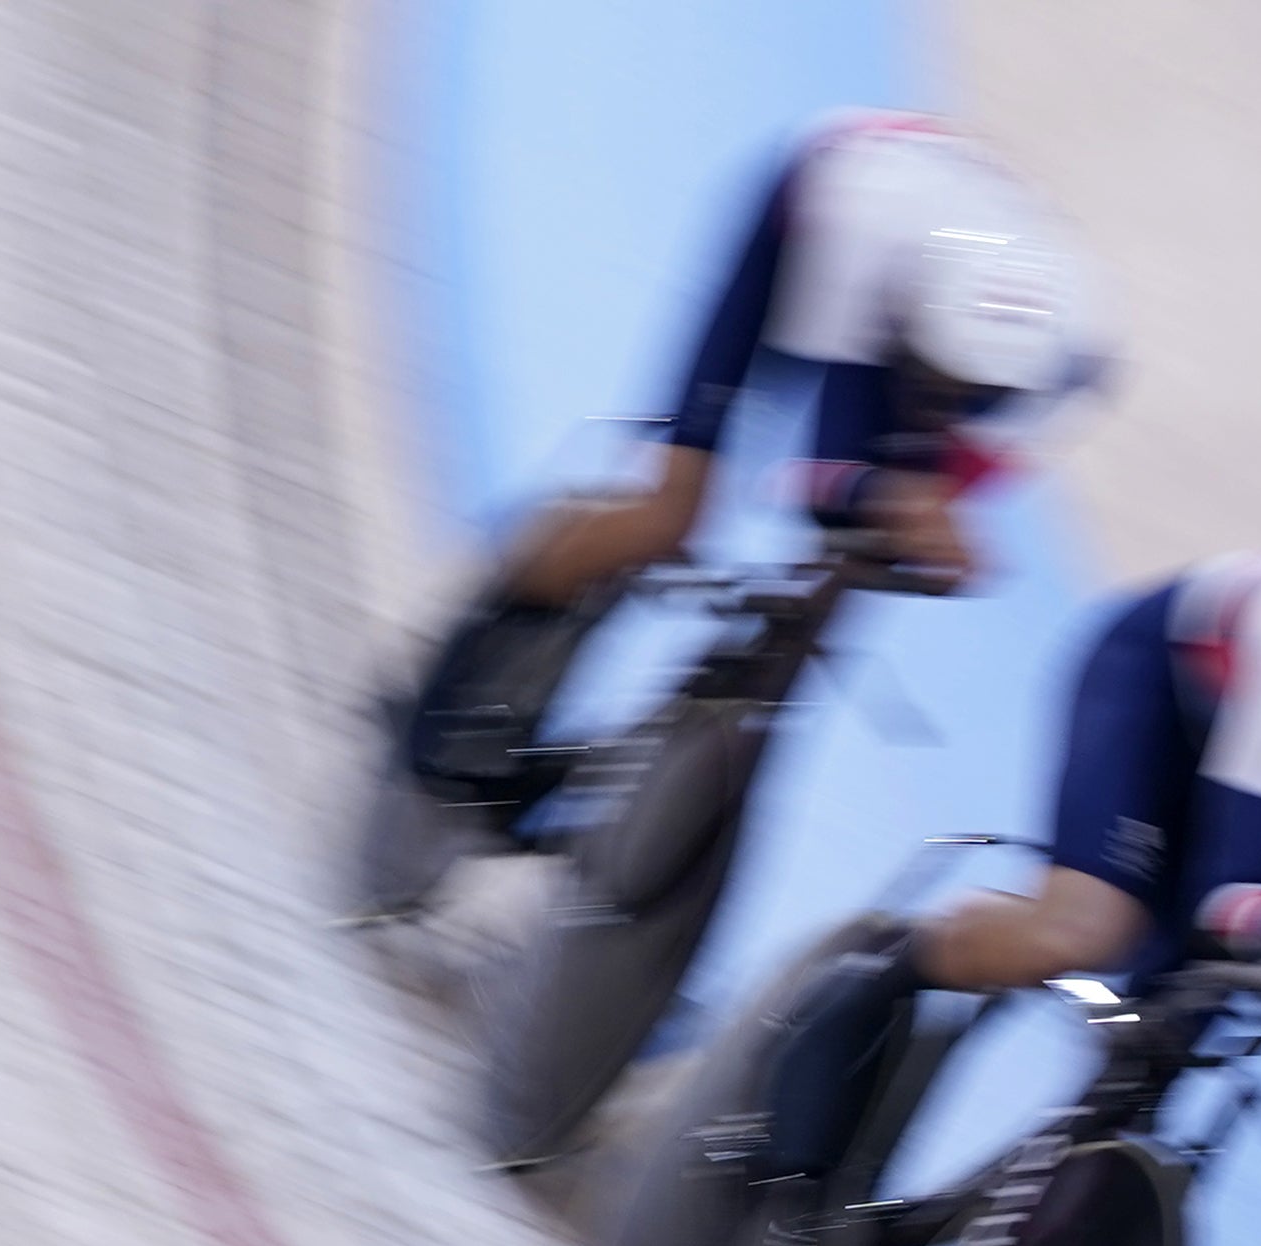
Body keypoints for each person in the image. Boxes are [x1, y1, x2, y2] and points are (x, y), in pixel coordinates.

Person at [750, 545, 1261, 1189]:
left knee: (1173, 1035)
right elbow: (1230, 902)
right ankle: (881, 974)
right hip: (1154, 686)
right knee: (1083, 932)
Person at [397, 111, 1105, 796]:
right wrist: (878, 497)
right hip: (821, 214)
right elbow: (808, 476)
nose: (946, 394)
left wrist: (931, 524)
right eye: (940, 377)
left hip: (931, 273)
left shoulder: (1076, 362)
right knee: (670, 515)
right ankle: (461, 666)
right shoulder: (859, 236)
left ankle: (693, 780)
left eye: (966, 389)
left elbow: (939, 491)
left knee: (850, 571)